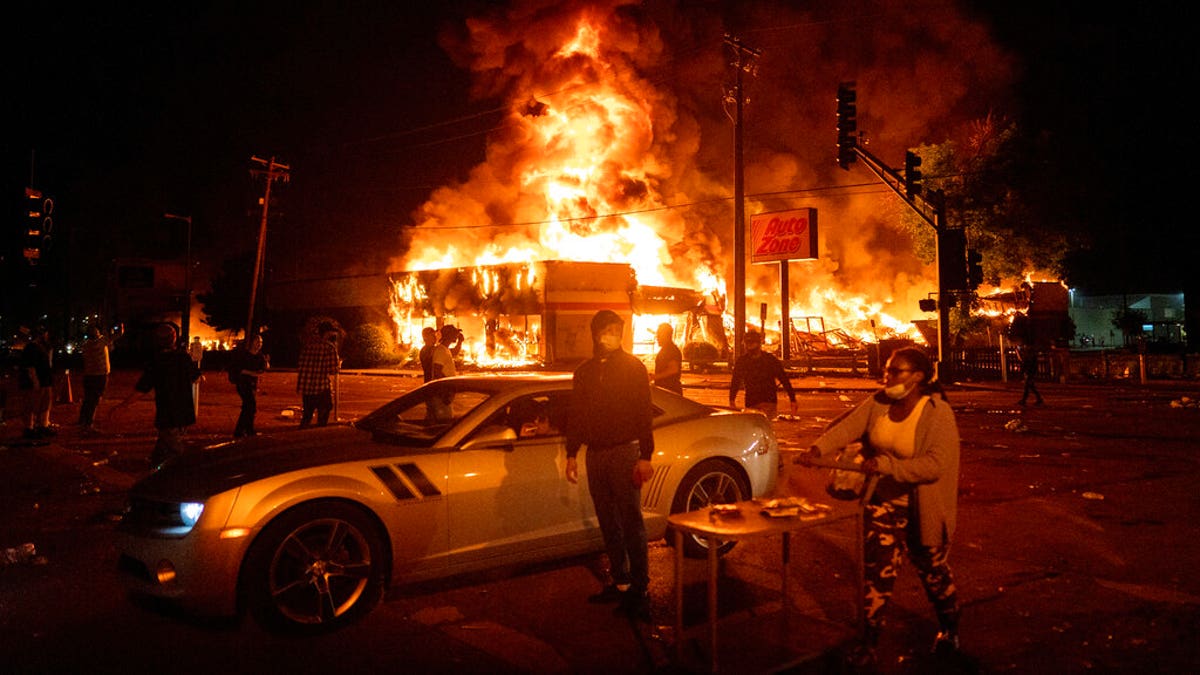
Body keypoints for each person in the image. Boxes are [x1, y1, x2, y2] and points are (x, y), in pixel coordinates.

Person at [798, 346, 962, 666]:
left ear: (917, 377)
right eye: (887, 370)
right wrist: (818, 449)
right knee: (877, 575)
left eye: (895, 371)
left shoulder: (936, 412)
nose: (887, 377)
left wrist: (889, 466)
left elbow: (935, 466)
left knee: (934, 575)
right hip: (882, 503)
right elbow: (849, 426)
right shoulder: (879, 402)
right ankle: (868, 644)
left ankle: (950, 630)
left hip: (922, 509)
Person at [564, 309, 656, 622]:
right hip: (596, 454)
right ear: (596, 333)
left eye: (617, 329)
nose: (613, 335)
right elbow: (576, 414)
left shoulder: (633, 368)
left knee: (631, 520)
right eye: (607, 330)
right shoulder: (585, 371)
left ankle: (640, 589)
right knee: (608, 521)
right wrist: (571, 452)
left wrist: (646, 455)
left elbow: (644, 412)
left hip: (624, 452)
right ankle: (620, 581)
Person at [112, 323, 201, 467]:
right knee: (168, 441)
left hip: (168, 413)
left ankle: (181, 475)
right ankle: (156, 464)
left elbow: (142, 389)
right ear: (174, 339)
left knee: (175, 449)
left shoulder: (156, 362)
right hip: (184, 411)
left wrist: (123, 405)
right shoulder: (183, 357)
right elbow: (196, 378)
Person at [728, 330, 797, 418]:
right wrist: (732, 399)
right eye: (747, 343)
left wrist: (792, 399)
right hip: (755, 402)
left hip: (765, 402)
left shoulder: (768, 360)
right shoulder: (745, 361)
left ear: (758, 343)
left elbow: (783, 379)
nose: (749, 346)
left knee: (759, 427)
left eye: (751, 343)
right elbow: (735, 381)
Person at [78, 324, 122, 434]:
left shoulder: (85, 345)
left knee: (88, 399)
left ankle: (83, 420)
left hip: (88, 375)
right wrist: (120, 326)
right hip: (100, 375)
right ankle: (88, 424)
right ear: (97, 334)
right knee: (95, 400)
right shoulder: (102, 341)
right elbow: (119, 334)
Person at [297, 321, 340, 427]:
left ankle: (301, 434)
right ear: (327, 333)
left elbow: (301, 364)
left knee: (307, 413)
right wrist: (338, 365)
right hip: (321, 387)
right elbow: (332, 370)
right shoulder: (329, 348)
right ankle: (319, 432)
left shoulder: (308, 346)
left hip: (307, 388)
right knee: (325, 410)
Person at [19, 326, 56, 439]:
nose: (46, 336)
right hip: (35, 382)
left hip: (45, 381)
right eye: (45, 334)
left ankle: (42, 426)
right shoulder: (31, 348)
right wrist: (35, 381)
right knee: (31, 405)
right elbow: (30, 367)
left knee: (44, 404)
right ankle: (29, 428)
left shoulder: (42, 347)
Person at [231, 334, 268, 438]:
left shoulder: (260, 356)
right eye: (257, 342)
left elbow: (262, 369)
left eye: (261, 343)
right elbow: (240, 370)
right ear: (251, 342)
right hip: (243, 383)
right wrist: (253, 373)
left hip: (252, 385)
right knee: (250, 405)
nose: (259, 345)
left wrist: (264, 366)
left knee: (249, 407)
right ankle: (240, 431)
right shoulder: (244, 355)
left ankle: (247, 429)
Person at [650, 323, 683, 394]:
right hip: (665, 390)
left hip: (671, 391)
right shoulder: (666, 349)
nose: (657, 338)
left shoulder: (671, 350)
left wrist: (654, 377)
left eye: (659, 335)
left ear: (665, 335)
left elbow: (673, 369)